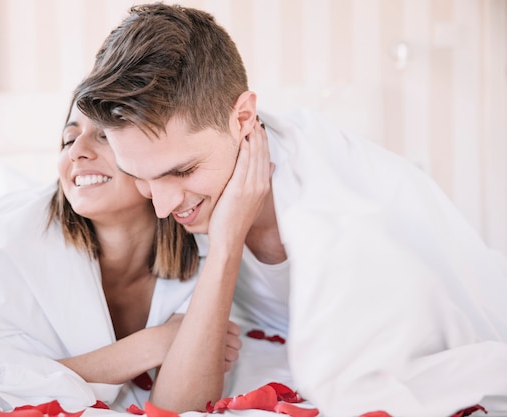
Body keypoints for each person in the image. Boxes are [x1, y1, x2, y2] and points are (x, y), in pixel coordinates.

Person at [74, 3, 507, 417]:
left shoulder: (335, 208)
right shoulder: (166, 187)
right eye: (141, 177)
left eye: (183, 171)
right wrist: (225, 246)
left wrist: (226, 243)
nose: (164, 207)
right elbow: (175, 405)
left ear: (244, 118)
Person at [0, 92, 249, 416]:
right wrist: (152, 345)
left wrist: (227, 247)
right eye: (69, 139)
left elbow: (179, 405)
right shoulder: (13, 234)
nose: (77, 152)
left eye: (105, 136)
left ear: (153, 159)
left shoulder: (199, 234)